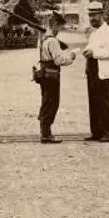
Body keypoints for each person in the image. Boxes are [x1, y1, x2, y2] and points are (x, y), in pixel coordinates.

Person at [37, 12, 77, 144]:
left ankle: (44, 132)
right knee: (52, 103)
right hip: (52, 74)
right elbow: (59, 60)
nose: (60, 30)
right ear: (54, 25)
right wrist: (71, 57)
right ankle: (46, 134)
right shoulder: (53, 41)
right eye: (59, 27)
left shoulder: (43, 38)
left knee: (46, 101)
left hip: (44, 74)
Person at [82, 1, 109, 142]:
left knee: (103, 101)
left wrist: (93, 53)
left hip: (103, 70)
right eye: (90, 16)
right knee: (93, 101)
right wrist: (87, 52)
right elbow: (91, 49)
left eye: (95, 16)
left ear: (102, 15)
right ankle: (96, 132)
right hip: (92, 69)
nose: (92, 19)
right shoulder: (94, 33)